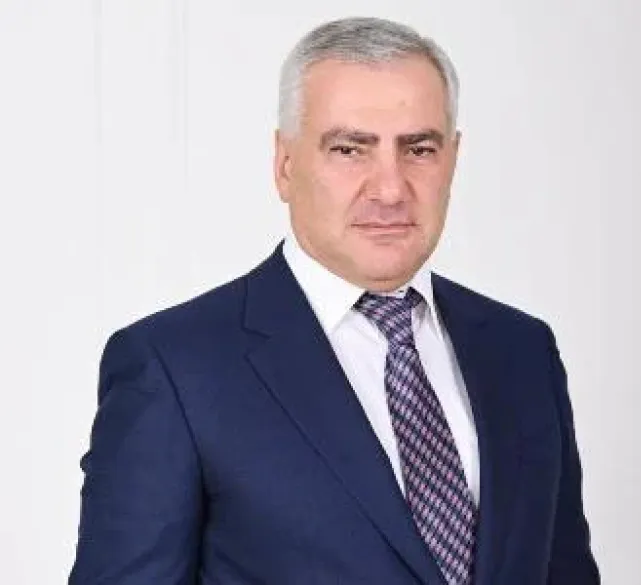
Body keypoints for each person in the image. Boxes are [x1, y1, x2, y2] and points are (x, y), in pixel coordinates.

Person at [69, 16, 600, 585]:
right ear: (285, 165)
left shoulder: (523, 351)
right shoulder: (175, 369)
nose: (390, 189)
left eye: (419, 149)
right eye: (350, 149)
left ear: (453, 158)